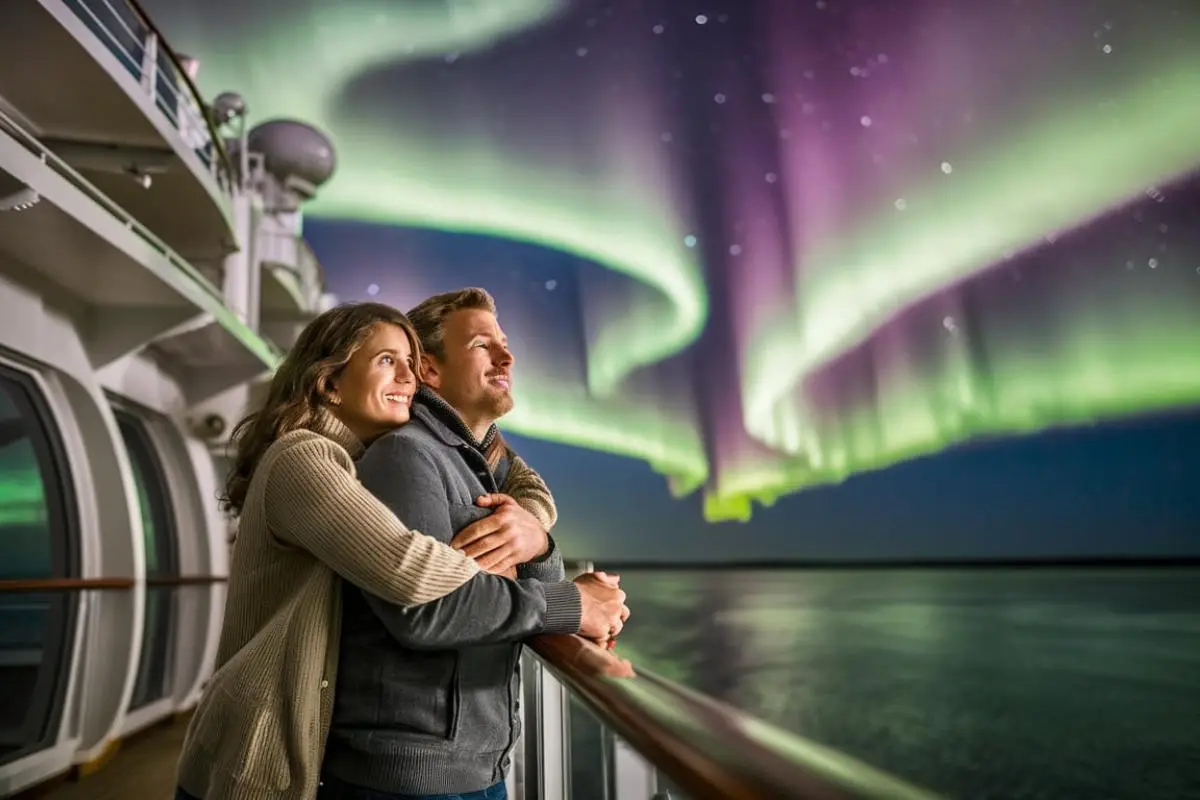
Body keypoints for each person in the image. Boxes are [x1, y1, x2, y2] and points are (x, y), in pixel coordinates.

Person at [173, 302, 577, 800]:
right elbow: (409, 571)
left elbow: (521, 478)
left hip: (296, 746)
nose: (410, 377)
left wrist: (532, 530)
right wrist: (554, 594)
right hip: (256, 753)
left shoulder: (360, 461)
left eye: (411, 362)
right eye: (388, 360)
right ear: (330, 382)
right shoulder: (304, 458)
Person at [319, 288, 629, 799]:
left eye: (505, 343)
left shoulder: (486, 468)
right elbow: (425, 611)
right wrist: (576, 605)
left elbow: (537, 588)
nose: (507, 356)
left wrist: (540, 547)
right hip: (408, 780)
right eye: (484, 345)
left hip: (478, 768)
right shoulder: (405, 457)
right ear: (431, 372)